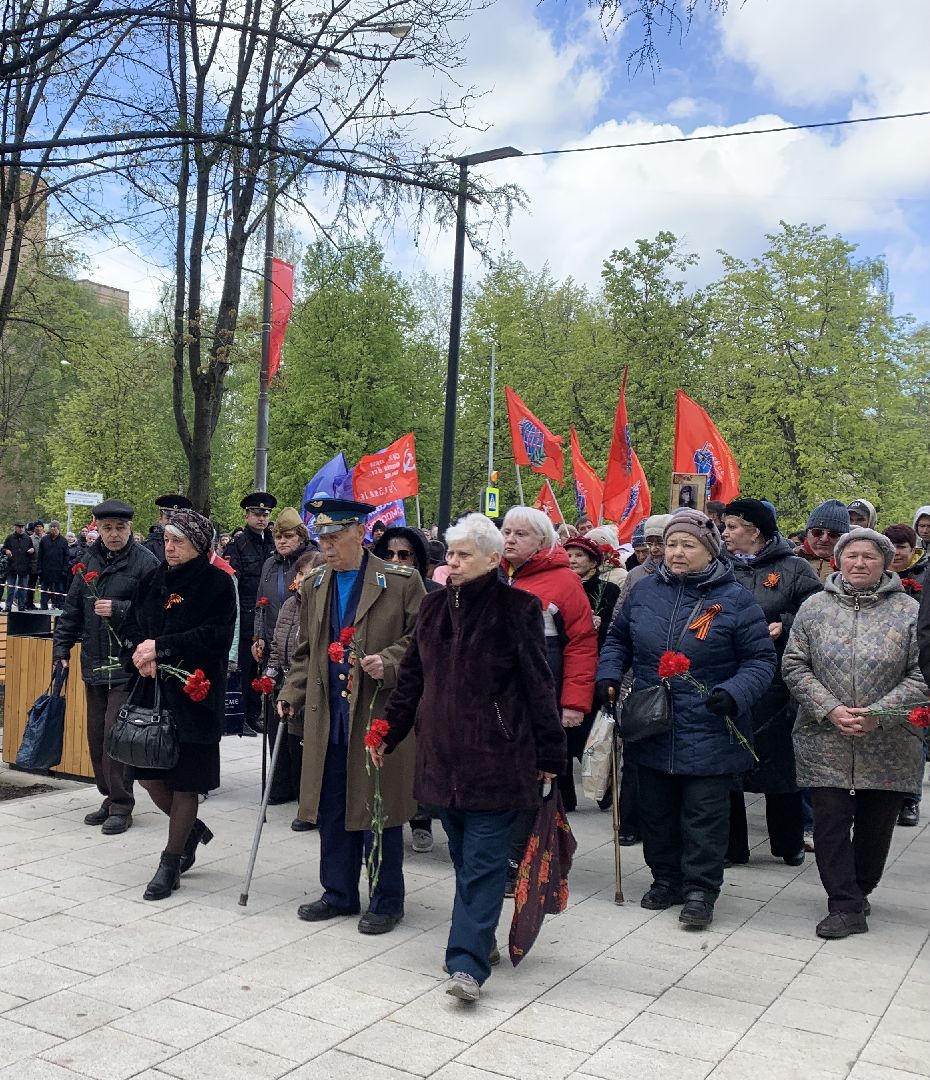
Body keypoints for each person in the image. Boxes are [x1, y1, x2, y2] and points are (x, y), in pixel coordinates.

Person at [376, 513, 566, 1003]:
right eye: (451, 554)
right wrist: (387, 733)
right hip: (441, 759)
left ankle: (466, 964)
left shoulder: (518, 608)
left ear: (492, 559)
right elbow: (412, 679)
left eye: (462, 554)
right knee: (465, 860)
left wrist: (550, 753)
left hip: (498, 759)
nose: (452, 562)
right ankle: (480, 934)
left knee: (482, 863)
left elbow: (538, 685)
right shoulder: (434, 608)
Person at [596, 509, 776, 929]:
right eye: (671, 544)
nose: (676, 553)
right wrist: (608, 672)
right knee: (655, 810)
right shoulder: (643, 592)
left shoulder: (734, 599)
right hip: (651, 720)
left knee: (703, 816)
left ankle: (700, 890)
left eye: (687, 545)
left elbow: (760, 661)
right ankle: (666, 879)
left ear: (708, 550)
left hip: (709, 724)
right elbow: (618, 639)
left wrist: (734, 693)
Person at [277, 497, 425, 934]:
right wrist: (291, 690)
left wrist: (390, 660)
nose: (327, 545)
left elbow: (421, 640)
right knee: (331, 805)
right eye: (321, 537)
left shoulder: (401, 580)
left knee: (377, 807)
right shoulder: (316, 582)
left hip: (377, 710)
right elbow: (308, 649)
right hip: (329, 715)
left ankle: (386, 900)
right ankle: (338, 893)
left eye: (336, 537)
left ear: (360, 533)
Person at [782, 528, 927, 939]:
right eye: (851, 556)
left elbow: (923, 672)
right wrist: (830, 708)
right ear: (838, 561)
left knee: (875, 824)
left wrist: (879, 713)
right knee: (828, 820)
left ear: (886, 562)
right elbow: (794, 665)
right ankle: (843, 903)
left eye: (869, 557)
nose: (859, 563)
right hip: (824, 734)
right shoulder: (814, 608)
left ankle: (860, 888)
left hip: (889, 739)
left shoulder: (909, 612)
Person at [121, 509, 237, 900]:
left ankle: (170, 862)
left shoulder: (218, 583)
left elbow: (216, 636)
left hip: (194, 697)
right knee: (148, 775)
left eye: (179, 541)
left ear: (199, 545)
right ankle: (191, 830)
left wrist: (163, 648)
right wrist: (141, 651)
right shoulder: (152, 579)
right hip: (152, 695)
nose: (169, 548)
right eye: (167, 540)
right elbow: (132, 624)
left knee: (187, 781)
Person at [721, 498, 822, 867]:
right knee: (729, 762)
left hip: (777, 679)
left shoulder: (793, 567)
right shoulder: (719, 565)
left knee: (779, 764)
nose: (726, 533)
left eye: (732, 526)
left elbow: (816, 612)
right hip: (730, 673)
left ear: (755, 531)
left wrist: (785, 622)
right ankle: (733, 847)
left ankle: (788, 841)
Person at [53, 499, 159, 834]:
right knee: (96, 735)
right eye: (107, 528)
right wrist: (61, 649)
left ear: (130, 528)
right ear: (97, 528)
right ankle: (109, 795)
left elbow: (155, 613)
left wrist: (119, 608)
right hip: (93, 662)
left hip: (127, 665)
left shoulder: (146, 563)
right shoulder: (87, 560)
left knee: (115, 735)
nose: (113, 535)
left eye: (120, 528)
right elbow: (72, 610)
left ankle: (122, 804)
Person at [501, 506, 596, 857]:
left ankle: (522, 854)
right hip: (498, 700)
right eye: (507, 531)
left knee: (533, 773)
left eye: (520, 534)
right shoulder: (495, 573)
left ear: (541, 541)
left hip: (540, 696)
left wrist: (573, 702)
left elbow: (582, 644)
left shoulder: (563, 581)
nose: (509, 539)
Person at [372, 525, 442, 854]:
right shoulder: (375, 586)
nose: (396, 560)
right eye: (388, 554)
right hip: (381, 681)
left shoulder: (431, 591)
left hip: (420, 683)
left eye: (404, 555)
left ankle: (421, 819)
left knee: (416, 753)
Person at [254, 507, 313, 805]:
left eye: (288, 536)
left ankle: (301, 785)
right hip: (275, 644)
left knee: (298, 725)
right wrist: (258, 636)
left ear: (301, 536)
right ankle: (279, 782)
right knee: (274, 719)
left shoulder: (311, 562)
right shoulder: (269, 565)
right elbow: (260, 604)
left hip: (301, 648)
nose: (281, 541)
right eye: (277, 536)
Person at [265, 550, 324, 832]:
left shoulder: (320, 605)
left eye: (307, 574)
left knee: (307, 747)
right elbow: (279, 643)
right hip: (288, 681)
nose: (300, 579)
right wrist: (269, 675)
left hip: (311, 686)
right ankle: (298, 795)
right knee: (292, 746)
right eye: (299, 573)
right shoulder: (290, 604)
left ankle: (311, 806)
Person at [225, 491, 277, 735]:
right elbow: (234, 581)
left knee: (263, 667)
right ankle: (242, 715)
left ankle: (256, 713)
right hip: (247, 615)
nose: (261, 519)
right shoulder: (239, 544)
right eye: (257, 514)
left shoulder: (272, 542)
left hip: (266, 614)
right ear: (247, 516)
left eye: (265, 514)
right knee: (246, 669)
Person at [798, 500, 850, 582]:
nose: (824, 539)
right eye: (817, 532)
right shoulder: (788, 562)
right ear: (807, 533)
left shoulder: (853, 567)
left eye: (833, 534)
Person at [143, 494, 194, 562]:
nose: (173, 523)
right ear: (160, 518)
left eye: (179, 519)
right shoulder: (148, 548)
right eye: (169, 518)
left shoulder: (193, 544)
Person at [883, 524, 929, 598]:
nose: (895, 552)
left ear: (913, 550)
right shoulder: (873, 575)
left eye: (901, 547)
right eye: (889, 547)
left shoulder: (926, 576)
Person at [2, 521, 35, 611]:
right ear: (15, 527)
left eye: (22, 527)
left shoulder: (27, 538)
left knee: (23, 588)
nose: (21, 529)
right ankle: (8, 606)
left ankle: (21, 605)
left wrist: (32, 550)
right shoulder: (10, 538)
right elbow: (3, 549)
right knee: (10, 588)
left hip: (24, 567)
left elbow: (32, 549)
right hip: (12, 567)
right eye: (19, 527)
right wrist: (6, 551)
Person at [38, 520, 70, 609]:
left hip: (59, 571)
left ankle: (59, 605)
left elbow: (66, 557)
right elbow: (40, 555)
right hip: (46, 570)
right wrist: (39, 569)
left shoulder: (63, 541)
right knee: (44, 589)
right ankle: (43, 606)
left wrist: (64, 569)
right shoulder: (44, 540)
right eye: (51, 527)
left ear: (58, 528)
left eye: (54, 527)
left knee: (59, 589)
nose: (53, 529)